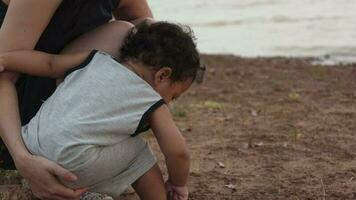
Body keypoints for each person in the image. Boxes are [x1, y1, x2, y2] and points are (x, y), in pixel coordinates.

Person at [0, 21, 201, 200]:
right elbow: (178, 151)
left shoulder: (94, 58)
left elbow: (49, 63)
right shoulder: (151, 99)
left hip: (31, 145)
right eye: (174, 96)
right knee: (139, 154)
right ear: (163, 75)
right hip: (71, 162)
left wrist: (6, 60)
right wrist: (178, 183)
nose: (170, 103)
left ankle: (84, 193)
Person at [0, 0, 154, 199]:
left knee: (146, 35)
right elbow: (3, 75)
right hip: (10, 108)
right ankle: (43, 159)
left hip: (54, 80)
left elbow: (147, 30)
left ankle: (82, 162)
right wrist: (22, 158)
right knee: (124, 33)